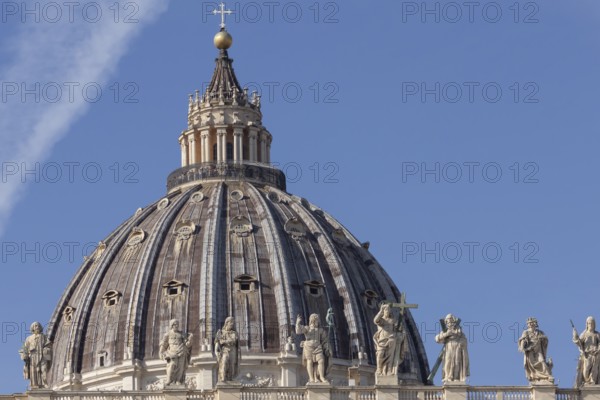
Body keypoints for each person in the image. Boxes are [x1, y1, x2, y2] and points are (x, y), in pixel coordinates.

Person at [296, 313, 332, 383]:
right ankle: (311, 378)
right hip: (308, 346)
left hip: (318, 346)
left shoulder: (320, 330)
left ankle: (321, 377)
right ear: (312, 321)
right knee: (310, 361)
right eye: (316, 320)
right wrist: (298, 323)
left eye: (318, 321)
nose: (317, 322)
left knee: (321, 360)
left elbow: (325, 341)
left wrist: (327, 347)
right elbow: (298, 331)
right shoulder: (307, 328)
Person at [435, 314, 469, 383]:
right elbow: (437, 339)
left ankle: (456, 378)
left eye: (451, 320)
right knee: (448, 362)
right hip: (448, 347)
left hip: (457, 347)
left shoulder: (459, 332)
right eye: (448, 321)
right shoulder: (445, 331)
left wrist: (461, 343)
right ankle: (448, 377)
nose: (449, 322)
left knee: (457, 362)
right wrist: (447, 334)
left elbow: (464, 340)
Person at [518, 317, 554, 383]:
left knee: (542, 361)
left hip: (538, 349)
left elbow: (545, 340)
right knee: (532, 364)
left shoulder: (540, 332)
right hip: (530, 349)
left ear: (535, 324)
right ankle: (535, 376)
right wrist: (522, 347)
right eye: (529, 323)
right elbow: (523, 340)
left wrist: (542, 338)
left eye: (531, 323)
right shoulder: (526, 332)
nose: (530, 324)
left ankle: (547, 375)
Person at [373, 303, 405, 376]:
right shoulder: (382, 320)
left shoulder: (392, 321)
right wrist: (380, 311)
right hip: (381, 340)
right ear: (383, 311)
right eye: (386, 310)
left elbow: (398, 329)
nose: (387, 311)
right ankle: (379, 369)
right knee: (380, 354)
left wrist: (400, 333)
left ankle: (388, 370)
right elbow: (375, 320)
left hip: (391, 339)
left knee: (390, 357)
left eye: (388, 310)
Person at [160, 319, 193, 386]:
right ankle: (169, 380)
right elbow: (164, 344)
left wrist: (190, 339)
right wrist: (161, 352)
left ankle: (178, 380)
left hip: (181, 351)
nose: (177, 326)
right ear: (172, 325)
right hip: (172, 352)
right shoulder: (167, 334)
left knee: (181, 367)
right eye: (175, 324)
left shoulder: (181, 334)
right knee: (171, 365)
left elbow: (187, 344)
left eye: (177, 324)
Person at [19, 322, 52, 389]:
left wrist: (46, 349)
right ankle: (34, 385)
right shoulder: (29, 338)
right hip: (32, 356)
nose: (37, 327)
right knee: (33, 371)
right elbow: (24, 348)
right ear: (32, 328)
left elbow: (48, 345)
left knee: (44, 370)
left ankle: (44, 384)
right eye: (35, 326)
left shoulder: (44, 337)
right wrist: (24, 355)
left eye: (38, 326)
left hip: (42, 356)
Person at [573, 316, 600, 386]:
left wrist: (598, 349)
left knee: (595, 369)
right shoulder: (585, 333)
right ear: (587, 324)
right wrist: (575, 335)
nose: (591, 325)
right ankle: (586, 381)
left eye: (592, 323)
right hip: (587, 354)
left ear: (594, 324)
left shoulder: (597, 334)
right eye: (589, 323)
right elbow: (578, 342)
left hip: (596, 354)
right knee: (586, 368)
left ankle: (593, 381)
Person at [215, 316, 240, 382]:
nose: (232, 324)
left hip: (232, 350)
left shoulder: (234, 333)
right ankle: (223, 377)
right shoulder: (221, 332)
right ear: (227, 323)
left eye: (233, 323)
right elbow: (218, 342)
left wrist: (224, 341)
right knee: (224, 362)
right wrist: (217, 351)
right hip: (225, 350)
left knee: (232, 365)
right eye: (231, 322)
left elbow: (233, 341)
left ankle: (230, 378)